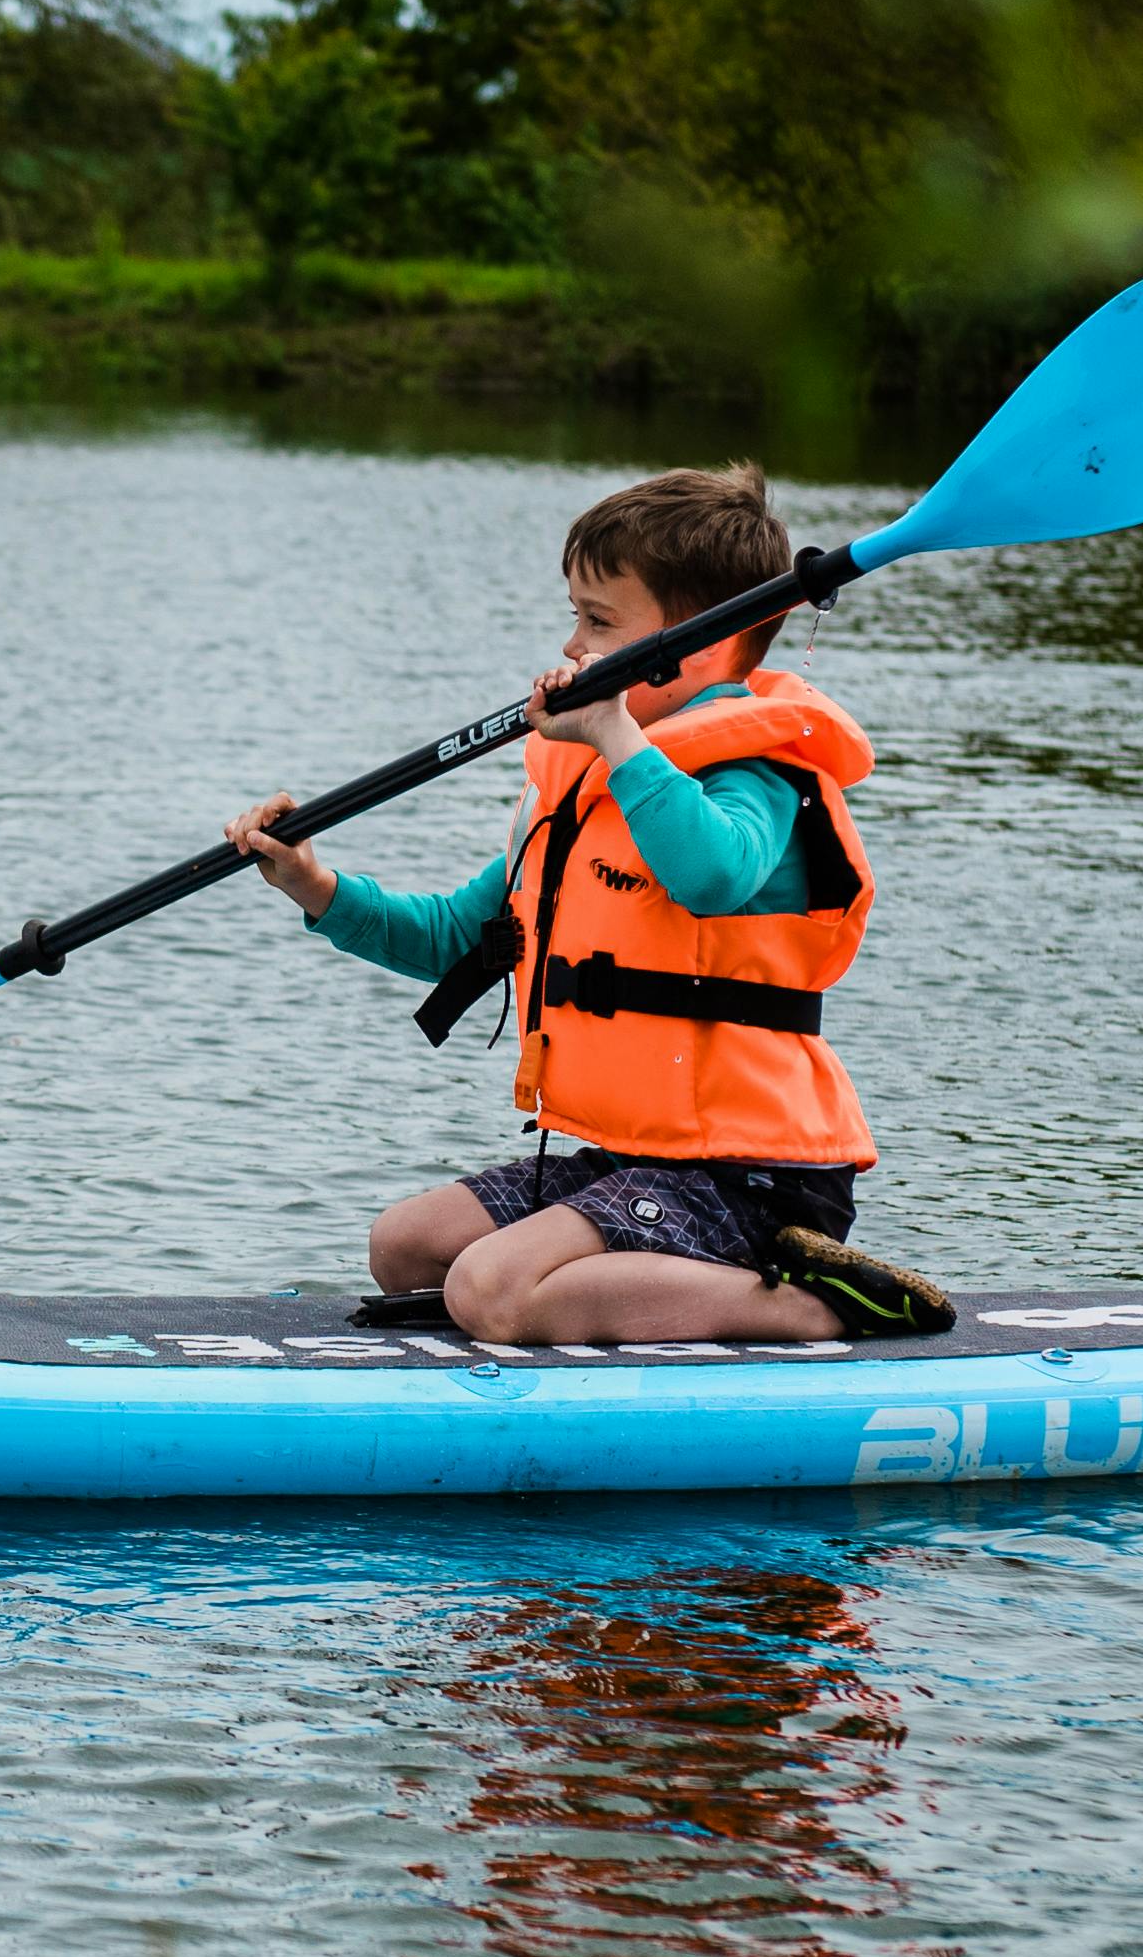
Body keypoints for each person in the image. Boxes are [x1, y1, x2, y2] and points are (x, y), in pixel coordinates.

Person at [219, 464, 958, 1347]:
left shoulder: (758, 775)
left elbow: (712, 876)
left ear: (702, 645)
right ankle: (574, 1298)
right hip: (637, 1156)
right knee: (406, 1248)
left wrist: (615, 733)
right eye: (573, 615)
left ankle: (818, 1303)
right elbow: (457, 937)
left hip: (755, 1177)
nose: (572, 646)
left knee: (490, 1290)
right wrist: (313, 883)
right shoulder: (578, 793)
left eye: (599, 622)